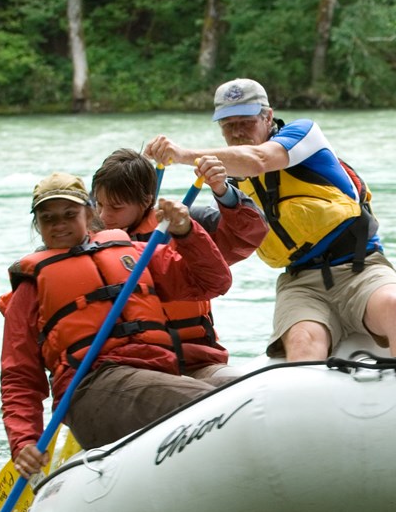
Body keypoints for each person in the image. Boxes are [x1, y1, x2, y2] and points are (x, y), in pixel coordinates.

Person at [145, 78, 396, 361]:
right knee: (304, 344)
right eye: (229, 125)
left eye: (246, 121)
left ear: (268, 117)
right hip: (300, 282)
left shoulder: (303, 134)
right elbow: (225, 237)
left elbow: (258, 160)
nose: (238, 131)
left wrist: (182, 155)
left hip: (360, 266)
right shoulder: (226, 180)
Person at [0, 172, 231, 475]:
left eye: (69, 214)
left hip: (158, 373)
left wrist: (186, 231)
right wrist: (24, 440)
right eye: (48, 218)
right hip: (92, 389)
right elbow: (19, 374)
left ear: (89, 213)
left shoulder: (134, 253)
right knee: (212, 405)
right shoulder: (31, 288)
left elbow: (212, 280)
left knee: (242, 390)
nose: (59, 224)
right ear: (38, 225)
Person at [90, 148, 268, 380]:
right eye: (99, 205)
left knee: (235, 384)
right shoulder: (90, 241)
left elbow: (247, 236)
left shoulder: (184, 221)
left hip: (195, 358)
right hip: (130, 364)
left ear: (146, 201)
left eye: (115, 207)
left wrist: (222, 190)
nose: (104, 216)